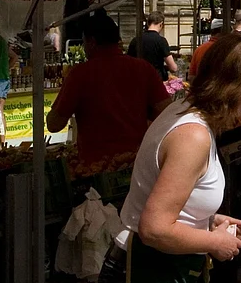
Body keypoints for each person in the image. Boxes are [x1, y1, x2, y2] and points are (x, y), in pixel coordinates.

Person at [103, 35, 241, 283]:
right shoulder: (192, 135)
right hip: (146, 277)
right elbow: (154, 227)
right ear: (234, 87)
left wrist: (208, 219)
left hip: (160, 271)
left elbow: (174, 199)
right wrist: (213, 242)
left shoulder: (186, 112)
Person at [47, 10, 171, 168]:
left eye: (84, 42)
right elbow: (166, 111)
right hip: (137, 161)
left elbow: (54, 124)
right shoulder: (143, 68)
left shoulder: (81, 74)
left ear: (91, 42)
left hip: (96, 165)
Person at [128, 15, 177, 80]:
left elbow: (128, 63)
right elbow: (173, 68)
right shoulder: (161, 41)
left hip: (138, 80)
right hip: (155, 80)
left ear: (148, 23)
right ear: (161, 24)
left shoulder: (135, 40)